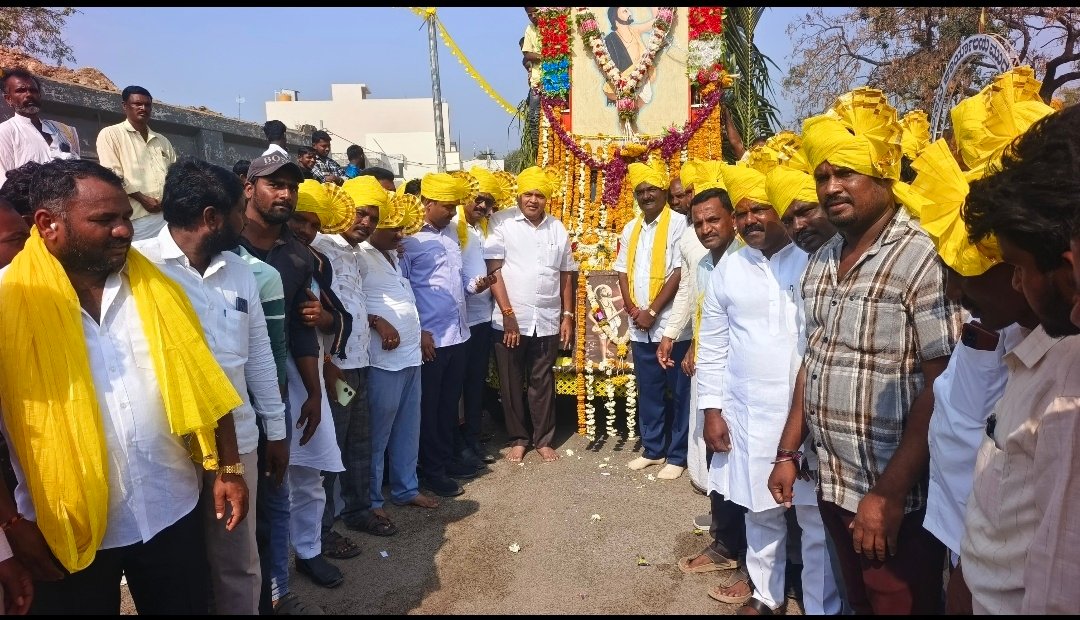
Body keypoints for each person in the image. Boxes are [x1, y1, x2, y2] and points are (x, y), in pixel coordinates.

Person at [0, 159, 246, 614]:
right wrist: (10, 528)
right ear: (48, 224)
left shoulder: (160, 290)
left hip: (172, 508)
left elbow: (206, 381)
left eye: (125, 218)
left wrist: (228, 467)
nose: (122, 231)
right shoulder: (8, 302)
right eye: (103, 220)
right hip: (65, 528)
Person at [768, 88, 963, 614]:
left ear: (882, 171)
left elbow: (943, 382)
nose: (831, 187)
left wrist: (890, 493)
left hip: (897, 500)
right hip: (833, 485)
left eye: (846, 173)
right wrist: (788, 452)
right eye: (822, 176)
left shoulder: (922, 255)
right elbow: (814, 362)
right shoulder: (823, 259)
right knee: (857, 603)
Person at [133, 158, 288, 614]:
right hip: (169, 447)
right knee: (178, 568)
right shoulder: (139, 267)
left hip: (239, 441)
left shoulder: (240, 272)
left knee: (237, 561)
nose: (246, 221)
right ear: (211, 218)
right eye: (240, 211)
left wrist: (276, 431)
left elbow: (259, 356)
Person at [695, 162, 840, 615]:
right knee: (759, 510)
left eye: (760, 208)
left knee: (814, 517)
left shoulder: (816, 258)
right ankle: (767, 595)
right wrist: (711, 409)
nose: (749, 220)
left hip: (810, 411)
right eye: (741, 213)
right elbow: (713, 343)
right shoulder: (730, 268)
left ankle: (820, 605)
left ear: (781, 209)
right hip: (750, 411)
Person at [954, 102, 1080, 615]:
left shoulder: (1070, 389)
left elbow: (1060, 586)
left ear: (1067, 266)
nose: (1016, 284)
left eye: (1019, 267)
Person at [238, 152, 326, 614]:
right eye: (275, 184)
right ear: (249, 188)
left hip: (274, 394)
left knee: (275, 492)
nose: (285, 194)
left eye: (291, 187)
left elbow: (301, 329)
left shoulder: (297, 256)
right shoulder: (223, 243)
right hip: (226, 394)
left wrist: (313, 391)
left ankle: (276, 592)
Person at [670, 187, 749, 594]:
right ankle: (725, 542)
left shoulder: (748, 260)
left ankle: (752, 560)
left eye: (713, 219)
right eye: (698, 222)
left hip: (746, 379)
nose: (705, 228)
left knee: (746, 465)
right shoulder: (704, 262)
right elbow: (704, 312)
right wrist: (693, 346)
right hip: (713, 373)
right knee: (718, 458)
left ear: (732, 218)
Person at [402, 172, 493, 496]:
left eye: (455, 206)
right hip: (431, 340)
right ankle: (432, 471)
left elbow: (459, 280)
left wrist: (476, 285)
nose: (453, 212)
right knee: (430, 409)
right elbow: (404, 288)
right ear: (427, 202)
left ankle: (445, 459)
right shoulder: (409, 238)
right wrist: (420, 331)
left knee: (448, 406)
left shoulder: (453, 232)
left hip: (458, 334)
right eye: (448, 206)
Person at [311, 176, 389, 544]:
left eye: (373, 217)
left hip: (359, 362)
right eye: (360, 213)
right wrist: (328, 361)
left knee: (359, 441)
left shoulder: (355, 253)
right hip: (335, 367)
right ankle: (322, 529)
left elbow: (354, 305)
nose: (366, 223)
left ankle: (358, 511)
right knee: (333, 446)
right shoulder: (320, 248)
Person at [357, 190, 441, 516]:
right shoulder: (358, 255)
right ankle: (371, 501)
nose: (399, 234)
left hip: (410, 357)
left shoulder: (392, 254)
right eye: (392, 228)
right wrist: (376, 321)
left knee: (408, 430)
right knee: (377, 436)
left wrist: (417, 332)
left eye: (400, 228)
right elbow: (346, 302)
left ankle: (406, 489)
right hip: (383, 361)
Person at [484, 166, 575, 464]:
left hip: (546, 319)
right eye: (528, 194)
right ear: (518, 196)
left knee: (542, 380)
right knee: (511, 381)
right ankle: (519, 439)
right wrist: (508, 313)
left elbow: (566, 273)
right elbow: (494, 271)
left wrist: (567, 315)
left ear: (546, 198)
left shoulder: (557, 228)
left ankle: (543, 439)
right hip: (510, 319)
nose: (533, 200)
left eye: (539, 195)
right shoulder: (501, 222)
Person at [614, 160, 690, 480]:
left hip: (671, 325)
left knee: (679, 391)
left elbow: (679, 272)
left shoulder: (680, 224)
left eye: (652, 190)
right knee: (649, 390)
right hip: (640, 327)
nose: (646, 196)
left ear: (663, 192)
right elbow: (622, 271)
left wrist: (653, 312)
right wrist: (633, 310)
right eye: (640, 191)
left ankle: (678, 455)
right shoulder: (630, 228)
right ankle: (653, 449)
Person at [657, 159, 727, 491]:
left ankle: (730, 487)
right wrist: (671, 334)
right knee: (703, 408)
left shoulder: (738, 242)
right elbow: (689, 289)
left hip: (724, 342)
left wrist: (697, 343)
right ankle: (705, 479)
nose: (684, 199)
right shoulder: (688, 237)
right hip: (702, 335)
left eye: (690, 191)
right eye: (681, 194)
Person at [452, 167, 512, 469]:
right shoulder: (453, 227)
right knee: (455, 389)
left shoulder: (483, 228)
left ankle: (473, 439)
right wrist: (474, 286)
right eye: (478, 199)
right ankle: (457, 445)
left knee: (475, 383)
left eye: (489, 201)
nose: (484, 206)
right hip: (456, 323)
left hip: (482, 319)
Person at [96, 85, 179, 241]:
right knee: (141, 255)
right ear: (125, 106)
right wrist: (143, 199)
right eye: (137, 104)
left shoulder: (162, 140)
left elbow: (176, 174)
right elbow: (111, 174)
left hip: (167, 216)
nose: (143, 108)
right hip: (135, 217)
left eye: (147, 105)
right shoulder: (110, 134)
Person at [0, 68, 79, 186]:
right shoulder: (5, 132)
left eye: (33, 90)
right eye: (21, 90)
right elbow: (4, 183)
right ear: (8, 99)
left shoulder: (65, 130)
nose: (29, 95)